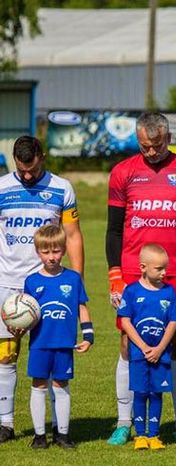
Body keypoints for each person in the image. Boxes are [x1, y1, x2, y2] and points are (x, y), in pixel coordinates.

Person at [106, 112, 176, 446]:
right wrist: (114, 276)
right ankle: (125, 423)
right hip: (132, 275)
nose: (150, 152)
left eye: (156, 145)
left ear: (168, 138)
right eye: (143, 146)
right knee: (127, 344)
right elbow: (112, 229)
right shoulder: (122, 172)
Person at [0, 136, 84, 444]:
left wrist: (77, 281)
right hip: (8, 285)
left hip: (50, 285)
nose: (27, 176)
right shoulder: (1, 188)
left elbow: (73, 235)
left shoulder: (62, 188)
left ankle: (56, 428)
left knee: (51, 356)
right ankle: (5, 423)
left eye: (32, 169)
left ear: (42, 157)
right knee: (6, 354)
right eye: (22, 170)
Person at [19, 224, 92, 449]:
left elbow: (81, 307)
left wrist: (88, 335)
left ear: (63, 249)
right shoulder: (32, 281)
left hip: (64, 344)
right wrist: (19, 327)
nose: (51, 257)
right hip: (40, 344)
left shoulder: (73, 278)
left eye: (56, 251)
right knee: (39, 386)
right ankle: (40, 436)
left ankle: (62, 434)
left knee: (61, 386)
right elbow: (25, 312)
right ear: (38, 251)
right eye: (46, 252)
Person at [117, 244, 176, 450]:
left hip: (161, 355)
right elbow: (125, 321)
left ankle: (154, 435)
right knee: (140, 392)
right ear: (143, 267)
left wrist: (160, 348)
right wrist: (144, 347)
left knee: (156, 393)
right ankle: (140, 436)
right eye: (159, 269)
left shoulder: (169, 292)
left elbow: (173, 322)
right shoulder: (132, 291)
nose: (164, 273)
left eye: (165, 268)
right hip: (138, 354)